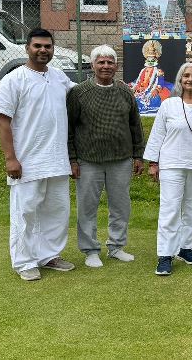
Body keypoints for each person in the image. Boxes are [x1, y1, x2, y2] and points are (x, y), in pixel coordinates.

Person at [0, 28, 77, 281]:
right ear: (27, 48)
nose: (43, 50)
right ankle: (24, 261)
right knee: (25, 212)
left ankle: (48, 255)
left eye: (47, 46)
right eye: (37, 46)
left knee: (57, 211)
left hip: (57, 160)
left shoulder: (59, 77)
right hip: (27, 161)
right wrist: (10, 158)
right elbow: (3, 121)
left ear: (53, 49)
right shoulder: (14, 80)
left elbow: (82, 93)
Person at [67, 45, 145, 268]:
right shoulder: (79, 93)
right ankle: (90, 250)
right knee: (87, 207)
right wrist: (72, 159)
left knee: (121, 206)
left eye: (110, 62)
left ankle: (116, 246)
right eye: (101, 62)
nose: (105, 66)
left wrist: (138, 155)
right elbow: (69, 128)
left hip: (121, 160)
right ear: (92, 65)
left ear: (116, 66)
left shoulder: (124, 92)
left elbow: (135, 125)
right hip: (88, 160)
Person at [144, 63, 192, 276]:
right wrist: (153, 163)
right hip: (171, 164)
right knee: (170, 209)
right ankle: (165, 255)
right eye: (186, 76)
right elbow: (157, 134)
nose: (190, 79)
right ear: (180, 80)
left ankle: (186, 248)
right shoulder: (168, 105)